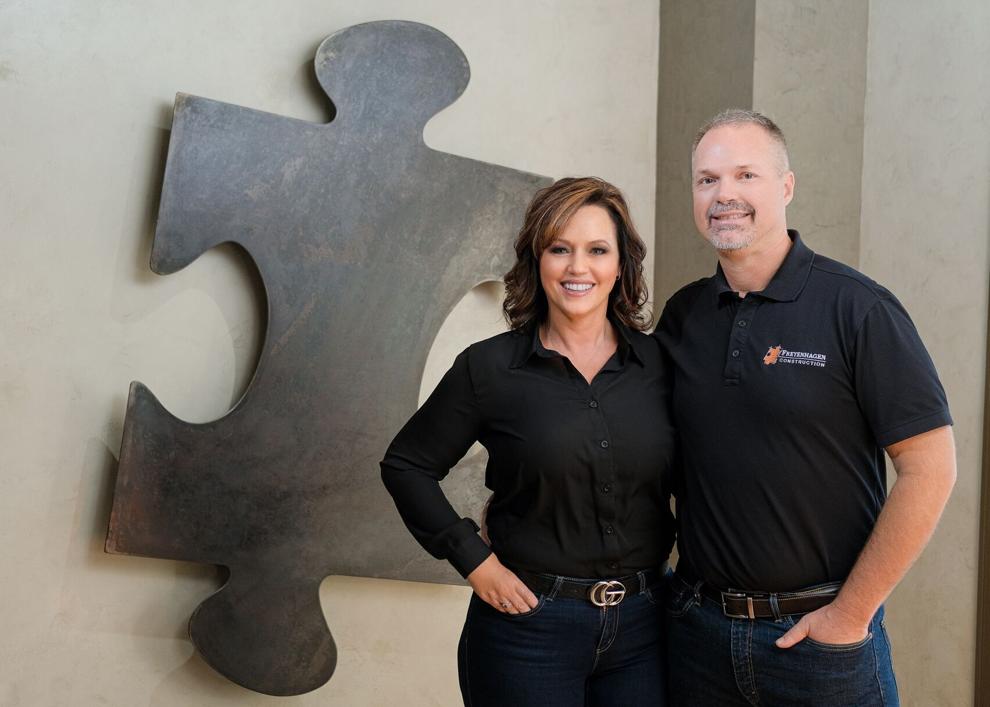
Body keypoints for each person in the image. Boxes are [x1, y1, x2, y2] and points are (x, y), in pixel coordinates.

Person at [655, 108, 956, 706]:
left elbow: (931, 468)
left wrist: (851, 615)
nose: (725, 195)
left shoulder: (859, 309)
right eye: (707, 180)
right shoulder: (683, 316)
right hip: (696, 638)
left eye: (746, 175)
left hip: (820, 645)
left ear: (786, 187)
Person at [381, 177, 675, 706]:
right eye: (559, 249)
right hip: (527, 632)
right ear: (536, 260)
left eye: (597, 250)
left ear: (622, 264)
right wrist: (475, 560)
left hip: (646, 631)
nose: (577, 268)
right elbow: (406, 465)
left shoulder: (662, 366)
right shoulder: (490, 367)